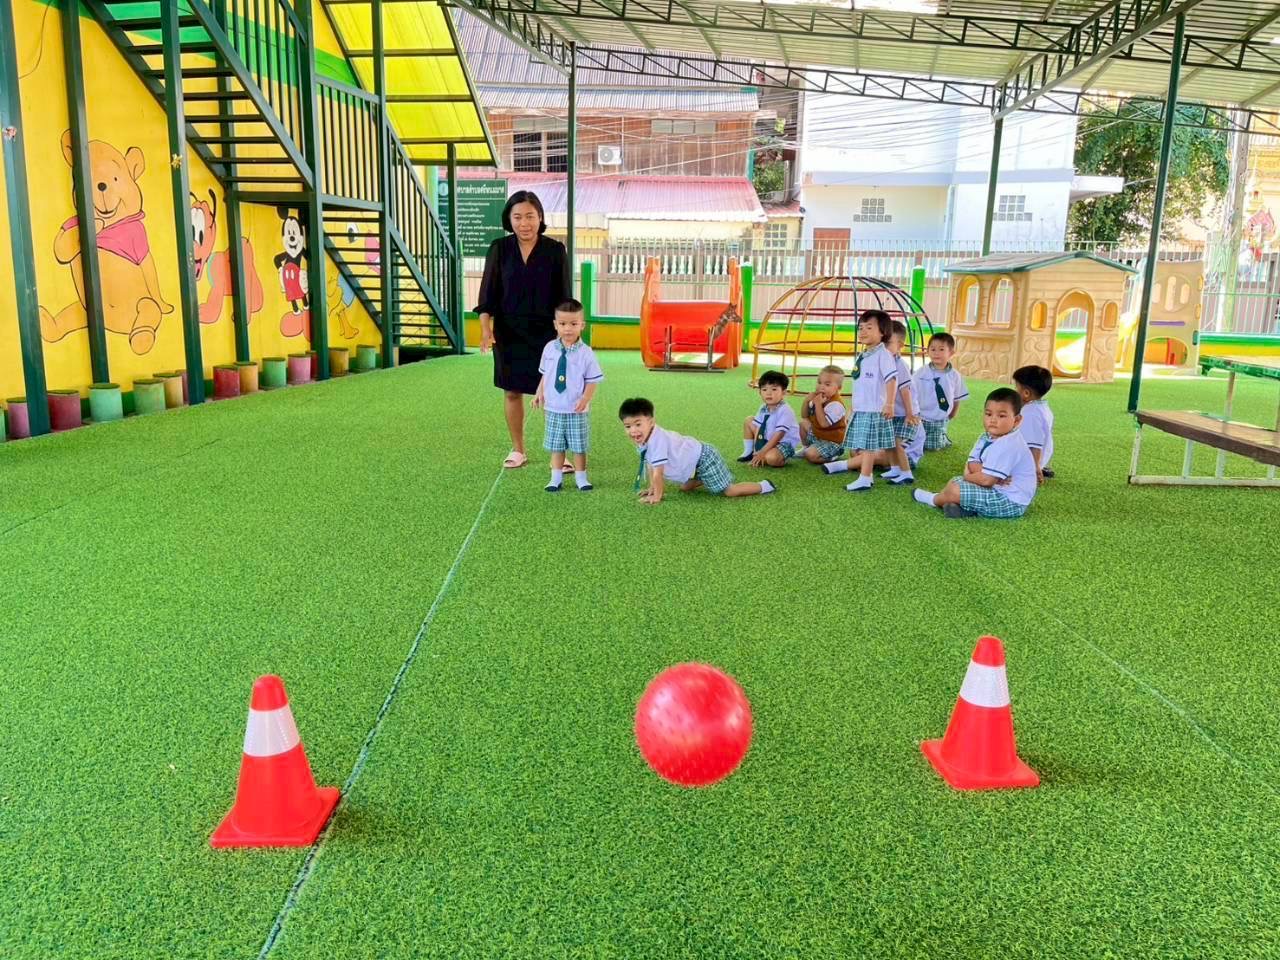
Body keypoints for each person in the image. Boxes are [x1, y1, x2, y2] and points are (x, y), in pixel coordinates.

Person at [475, 190, 571, 470]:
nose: (524, 223)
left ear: (540, 217)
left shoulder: (555, 250)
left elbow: (564, 295)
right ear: (509, 219)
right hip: (509, 332)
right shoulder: (499, 248)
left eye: (530, 216)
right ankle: (518, 449)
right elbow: (487, 294)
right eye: (517, 217)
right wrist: (485, 329)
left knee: (554, 394)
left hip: (547, 334)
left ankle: (560, 454)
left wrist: (564, 334)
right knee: (512, 391)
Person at [619, 398, 778, 504]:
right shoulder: (644, 438)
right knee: (684, 488)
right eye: (628, 426)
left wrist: (657, 496)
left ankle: (764, 486)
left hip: (704, 457)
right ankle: (705, 478)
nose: (633, 431)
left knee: (730, 491)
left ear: (651, 422)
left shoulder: (657, 440)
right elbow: (650, 464)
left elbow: (657, 473)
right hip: (694, 461)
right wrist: (652, 488)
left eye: (638, 424)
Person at [913, 388, 1037, 519]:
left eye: (1001, 416)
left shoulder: (1009, 443)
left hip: (1010, 501)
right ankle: (963, 509)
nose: (993, 420)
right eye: (988, 414)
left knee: (956, 489)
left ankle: (933, 499)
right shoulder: (986, 437)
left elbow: (986, 480)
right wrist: (986, 474)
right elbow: (972, 463)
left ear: (1016, 420)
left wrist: (969, 476)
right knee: (955, 481)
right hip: (995, 489)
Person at [821, 310, 897, 492]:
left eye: (869, 328)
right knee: (864, 445)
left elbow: (892, 380)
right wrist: (853, 406)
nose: (862, 331)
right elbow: (860, 383)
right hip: (862, 407)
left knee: (868, 446)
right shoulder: (864, 355)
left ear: (883, 332)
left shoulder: (883, 355)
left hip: (873, 408)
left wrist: (889, 403)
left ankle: (865, 477)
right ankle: (867, 476)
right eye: (860, 328)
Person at [532, 300, 603, 492]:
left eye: (573, 324)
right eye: (563, 324)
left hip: (576, 409)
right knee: (556, 446)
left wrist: (585, 399)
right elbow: (545, 374)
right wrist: (539, 392)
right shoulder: (549, 348)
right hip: (553, 408)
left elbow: (592, 380)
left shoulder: (586, 353)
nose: (568, 329)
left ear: (582, 325)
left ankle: (581, 478)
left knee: (579, 447)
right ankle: (555, 478)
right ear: (555, 325)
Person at [912, 333, 968, 451]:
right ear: (928, 351)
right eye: (933, 349)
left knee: (933, 447)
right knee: (914, 442)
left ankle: (941, 435)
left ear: (951, 353)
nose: (936, 353)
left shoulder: (954, 375)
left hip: (940, 417)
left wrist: (952, 413)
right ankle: (937, 436)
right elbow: (911, 393)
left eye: (941, 349)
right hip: (920, 416)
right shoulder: (920, 373)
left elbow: (957, 397)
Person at [882, 320, 921, 486]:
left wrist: (910, 413)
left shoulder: (900, 364)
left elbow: (905, 391)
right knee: (888, 442)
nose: (884, 347)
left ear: (900, 346)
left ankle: (906, 473)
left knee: (897, 443)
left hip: (905, 413)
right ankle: (895, 468)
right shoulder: (883, 362)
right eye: (882, 342)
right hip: (893, 413)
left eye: (888, 343)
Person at [739, 370, 800, 467]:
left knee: (771, 458)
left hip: (783, 442)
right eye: (764, 390)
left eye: (774, 389)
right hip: (767, 437)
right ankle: (749, 452)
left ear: (783, 392)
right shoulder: (763, 407)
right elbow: (759, 428)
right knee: (749, 420)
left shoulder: (785, 410)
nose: (768, 393)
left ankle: (780, 457)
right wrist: (757, 450)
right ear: (760, 392)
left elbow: (779, 434)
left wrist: (763, 451)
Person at [798, 365, 848, 464]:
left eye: (827, 384)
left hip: (832, 442)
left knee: (811, 455)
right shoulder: (818, 397)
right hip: (818, 435)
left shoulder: (836, 404)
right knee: (803, 423)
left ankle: (833, 456)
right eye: (819, 382)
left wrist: (818, 404)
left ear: (838, 388)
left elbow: (824, 424)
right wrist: (806, 401)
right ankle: (805, 448)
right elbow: (804, 416)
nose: (821, 387)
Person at [1013, 364, 1055, 482]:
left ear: (1026, 393)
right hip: (1037, 458)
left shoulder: (1030, 413)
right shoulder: (1042, 407)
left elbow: (1034, 445)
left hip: (1027, 463)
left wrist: (1035, 469)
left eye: (1016, 387)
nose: (1014, 390)